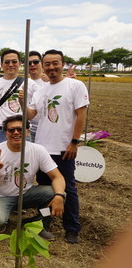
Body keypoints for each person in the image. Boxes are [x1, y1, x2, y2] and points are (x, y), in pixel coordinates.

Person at [21, 49, 89, 244]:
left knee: (69, 187)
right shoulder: (41, 90)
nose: (51, 67)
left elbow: (81, 115)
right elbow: (31, 115)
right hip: (43, 148)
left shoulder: (75, 86)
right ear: (43, 65)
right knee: (45, 189)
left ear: (62, 64)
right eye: (48, 64)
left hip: (63, 148)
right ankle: (44, 223)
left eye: (55, 63)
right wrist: (22, 102)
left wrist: (74, 142)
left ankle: (72, 227)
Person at [0, 115, 65, 240]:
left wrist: (59, 196)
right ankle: (4, 222)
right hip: (1, 196)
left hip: (26, 194)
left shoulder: (38, 150)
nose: (16, 132)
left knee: (57, 193)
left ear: (27, 131)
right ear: (6, 133)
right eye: (11, 130)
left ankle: (39, 224)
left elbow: (57, 177)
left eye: (20, 129)